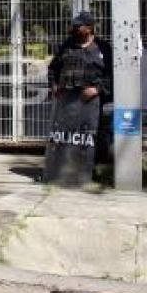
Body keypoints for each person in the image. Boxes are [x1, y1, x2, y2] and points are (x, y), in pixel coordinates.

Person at [46, 11, 113, 178]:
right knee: (67, 136)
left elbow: (111, 75)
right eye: (74, 25)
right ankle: (65, 170)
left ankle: (93, 171)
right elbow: (53, 68)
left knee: (91, 137)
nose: (75, 28)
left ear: (89, 28)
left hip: (92, 103)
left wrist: (97, 90)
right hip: (68, 102)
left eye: (79, 26)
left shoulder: (103, 47)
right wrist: (54, 85)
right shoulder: (68, 45)